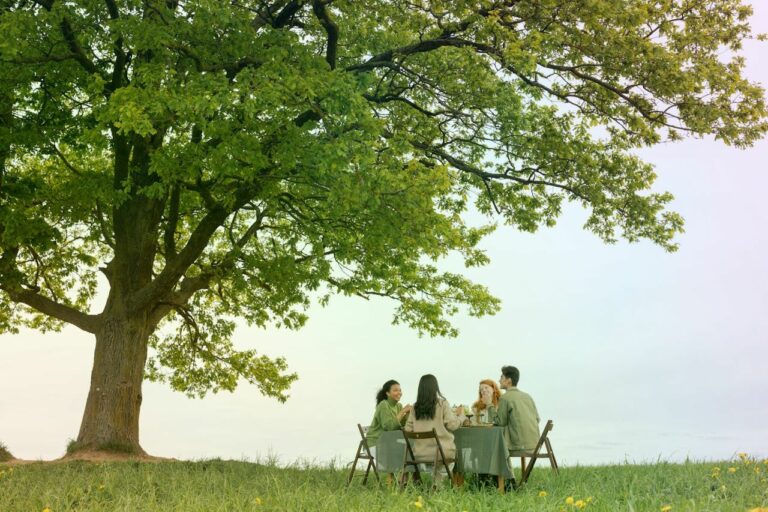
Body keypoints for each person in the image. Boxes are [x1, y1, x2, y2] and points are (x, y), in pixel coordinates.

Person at [405, 374, 464, 469]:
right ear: (435, 387)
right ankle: (439, 481)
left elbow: (408, 429)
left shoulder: (415, 407)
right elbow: (452, 425)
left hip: (420, 454)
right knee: (455, 455)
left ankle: (436, 481)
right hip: (442, 453)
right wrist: (461, 417)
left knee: (435, 465)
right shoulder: (442, 404)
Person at [487, 365, 540, 453]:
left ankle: (500, 467)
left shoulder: (505, 398)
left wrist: (489, 405)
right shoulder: (527, 397)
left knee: (489, 445)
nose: (499, 380)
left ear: (509, 380)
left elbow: (500, 422)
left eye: (501, 377)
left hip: (519, 447)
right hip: (535, 445)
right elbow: (537, 419)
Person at [366, 379, 412, 449]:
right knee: (403, 453)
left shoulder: (399, 406)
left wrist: (408, 415)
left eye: (400, 390)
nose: (399, 392)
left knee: (409, 450)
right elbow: (389, 427)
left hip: (389, 443)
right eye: (395, 390)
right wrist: (403, 411)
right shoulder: (383, 405)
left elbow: (401, 426)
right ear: (388, 393)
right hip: (376, 444)